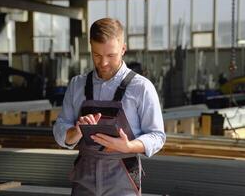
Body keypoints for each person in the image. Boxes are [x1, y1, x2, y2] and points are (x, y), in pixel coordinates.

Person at [53, 18, 165, 196]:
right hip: (84, 178)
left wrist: (129, 146)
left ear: (123, 49)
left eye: (110, 56)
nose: (103, 63)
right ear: (90, 47)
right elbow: (60, 128)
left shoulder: (141, 87)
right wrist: (76, 132)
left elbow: (157, 136)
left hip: (122, 179)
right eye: (97, 55)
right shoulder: (77, 85)